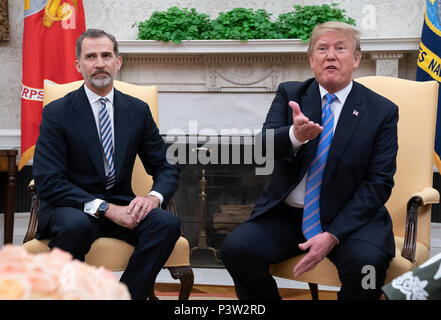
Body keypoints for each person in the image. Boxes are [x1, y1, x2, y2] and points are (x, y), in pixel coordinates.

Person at [221, 21, 399, 300]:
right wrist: (295, 135)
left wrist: (333, 235)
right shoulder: (291, 94)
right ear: (311, 59)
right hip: (289, 218)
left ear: (356, 59)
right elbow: (263, 145)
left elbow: (379, 182)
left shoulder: (382, 111)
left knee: (368, 269)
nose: (330, 55)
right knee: (236, 248)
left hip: (352, 221)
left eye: (340, 48)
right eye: (322, 49)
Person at [32, 29, 181, 300]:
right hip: (72, 207)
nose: (99, 63)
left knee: (166, 223)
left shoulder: (137, 110)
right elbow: (48, 180)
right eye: (90, 56)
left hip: (122, 203)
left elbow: (165, 165)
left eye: (106, 55)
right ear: (79, 66)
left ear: (117, 62)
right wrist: (105, 208)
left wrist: (152, 198)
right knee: (75, 226)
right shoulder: (57, 112)